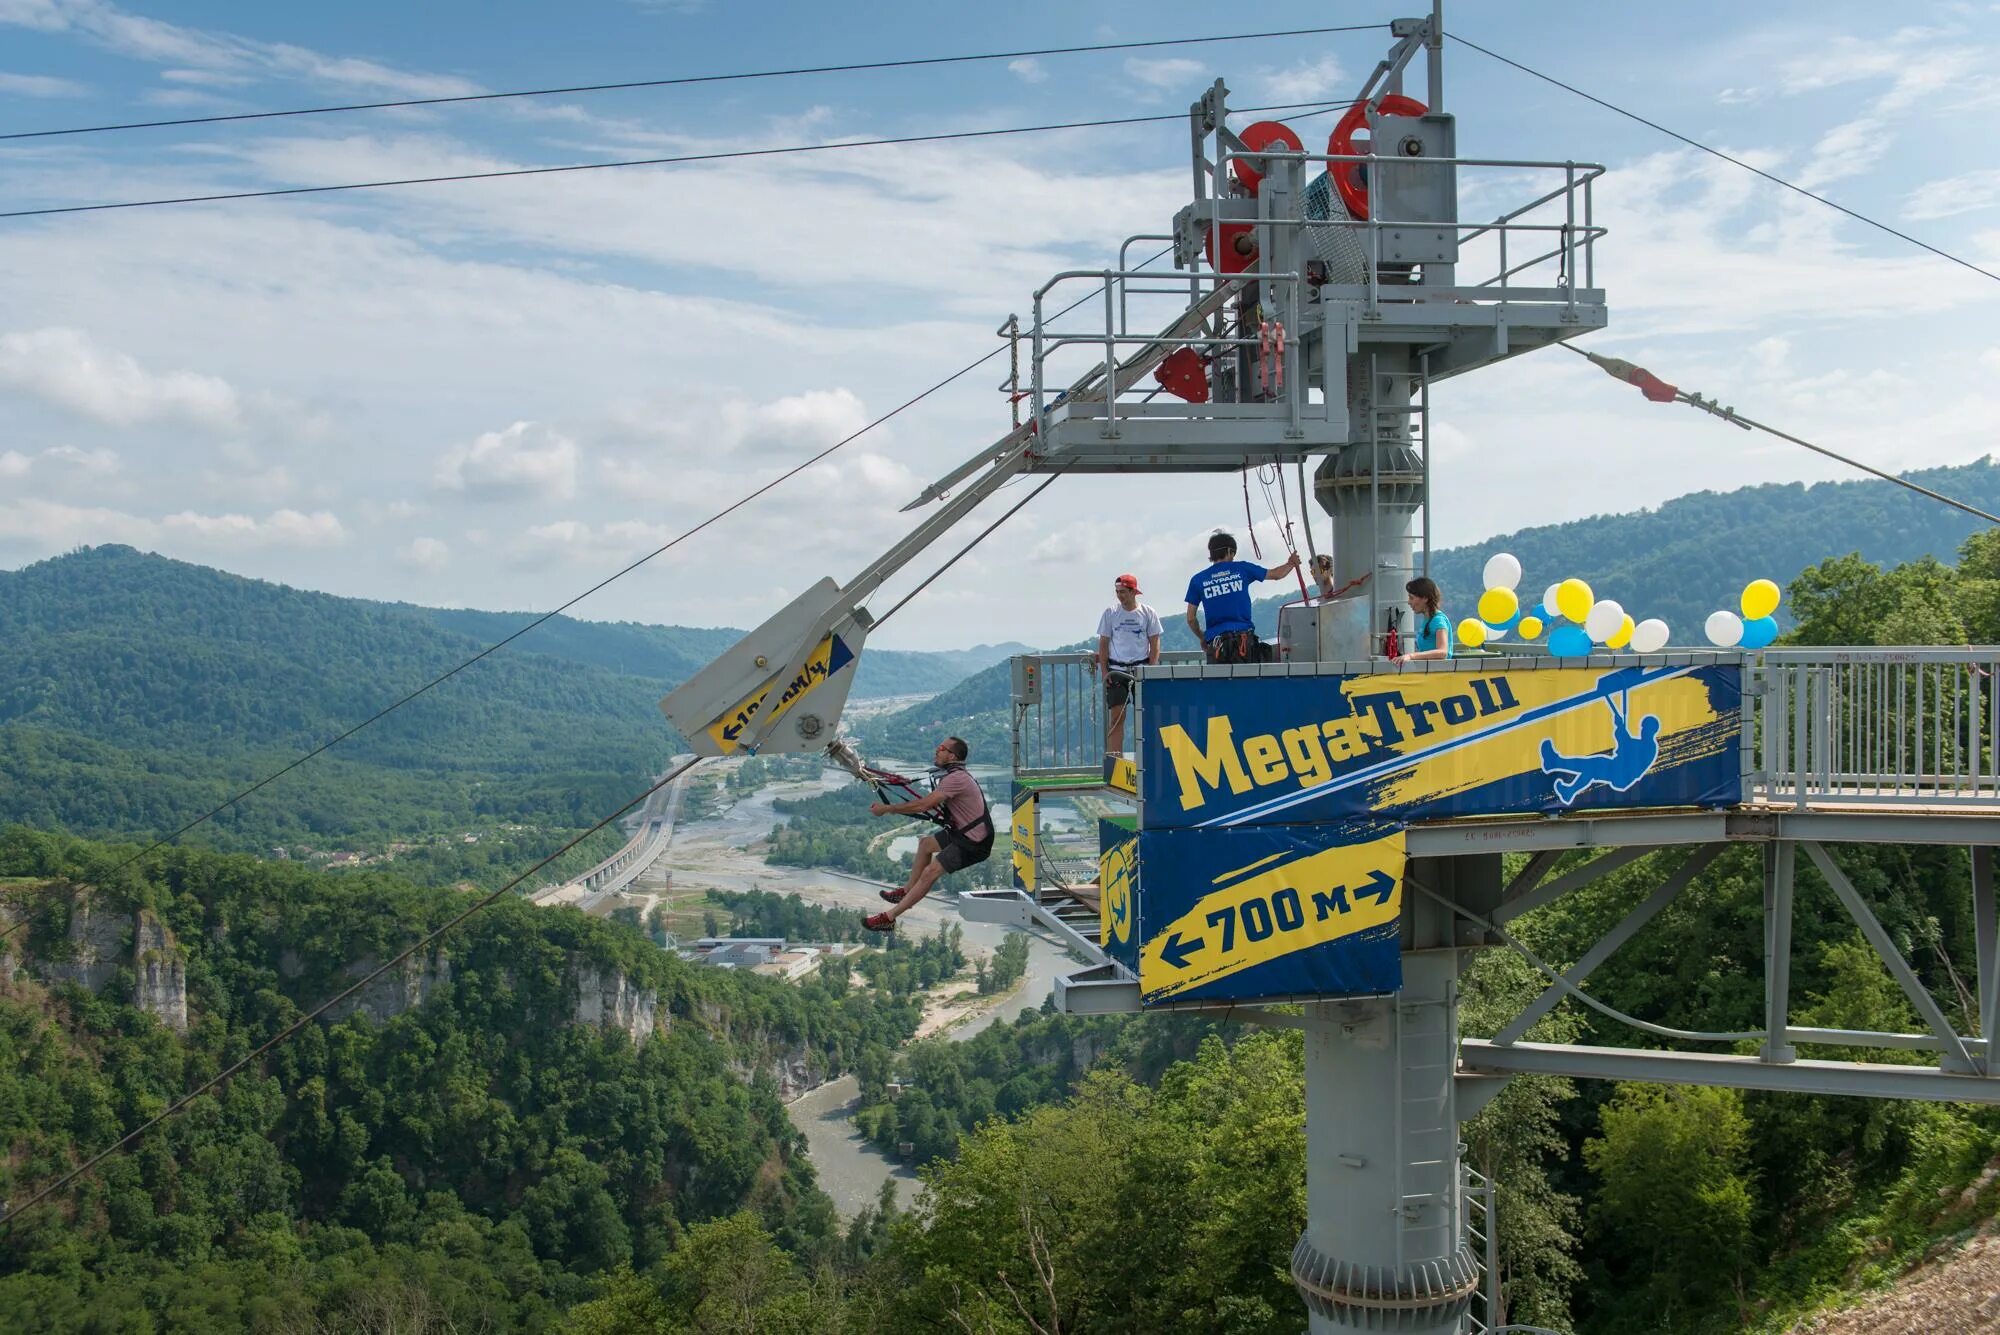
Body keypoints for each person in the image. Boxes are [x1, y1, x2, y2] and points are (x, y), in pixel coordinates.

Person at [862, 737, 993, 932]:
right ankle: (906, 892)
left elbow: (924, 805)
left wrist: (887, 808)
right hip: (963, 831)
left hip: (973, 841)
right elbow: (927, 784)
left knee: (930, 872)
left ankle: (889, 918)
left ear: (952, 755)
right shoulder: (951, 773)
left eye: (941, 748)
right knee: (925, 844)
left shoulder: (956, 778)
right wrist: (900, 781)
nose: (936, 751)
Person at [1185, 531, 1299, 664]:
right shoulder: (1242, 568)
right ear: (1229, 551)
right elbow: (1276, 575)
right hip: (1244, 643)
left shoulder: (1198, 580)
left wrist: (1202, 637)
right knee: (1248, 682)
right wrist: (1291, 563)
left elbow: (1191, 618)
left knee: (1219, 684)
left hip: (1216, 645)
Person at [1540, 693, 1662, 805]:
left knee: (1595, 763)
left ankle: (1556, 763)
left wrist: (1620, 727)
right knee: (1591, 770)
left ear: (1652, 730)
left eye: (1645, 727)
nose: (1642, 729)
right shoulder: (1643, 744)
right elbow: (1626, 744)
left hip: (1622, 775)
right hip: (1619, 770)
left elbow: (1626, 747)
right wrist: (1620, 728)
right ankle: (1568, 790)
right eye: (1643, 726)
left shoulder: (1649, 747)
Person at [1097, 573, 1162, 752]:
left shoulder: (1148, 613)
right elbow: (1103, 642)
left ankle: (1149, 757)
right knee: (1117, 716)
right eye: (1117, 592)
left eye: (1123, 592)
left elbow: (1155, 641)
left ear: (1134, 592)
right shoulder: (1111, 613)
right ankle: (1115, 758)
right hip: (1117, 669)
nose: (1120, 595)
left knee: (1147, 716)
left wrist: (1153, 668)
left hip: (1141, 669)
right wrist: (1104, 671)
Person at [1391, 576, 1451, 664]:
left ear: (1425, 598)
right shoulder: (1428, 620)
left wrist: (1411, 656)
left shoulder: (1438, 620)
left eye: (1411, 598)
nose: (1408, 602)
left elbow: (1443, 652)